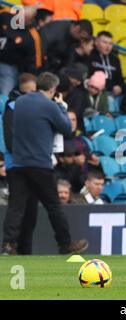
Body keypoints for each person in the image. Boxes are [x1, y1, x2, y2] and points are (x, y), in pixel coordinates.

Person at [2, 72, 88, 255]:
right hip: (40, 164)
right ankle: (65, 243)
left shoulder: (20, 102)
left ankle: (8, 245)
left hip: (18, 164)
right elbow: (66, 128)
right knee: (53, 206)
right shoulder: (49, 105)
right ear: (53, 89)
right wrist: (62, 108)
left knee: (16, 207)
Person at [3, 73, 39, 255]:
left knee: (31, 209)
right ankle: (9, 244)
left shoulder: (36, 109)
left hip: (34, 164)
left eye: (34, 91)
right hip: (16, 165)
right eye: (29, 92)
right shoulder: (12, 107)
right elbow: (10, 140)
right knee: (17, 206)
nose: (32, 95)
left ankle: (26, 249)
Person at [0, 5, 43, 95]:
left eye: (24, 17)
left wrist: (29, 77)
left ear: (30, 20)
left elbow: (35, 61)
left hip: (10, 66)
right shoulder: (5, 14)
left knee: (6, 93)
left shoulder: (33, 36)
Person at [88, 31, 124, 99]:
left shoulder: (115, 59)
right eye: (104, 42)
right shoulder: (90, 56)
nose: (108, 46)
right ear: (96, 42)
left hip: (113, 94)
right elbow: (90, 76)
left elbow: (120, 79)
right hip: (96, 92)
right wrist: (111, 86)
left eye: (110, 43)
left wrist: (120, 87)